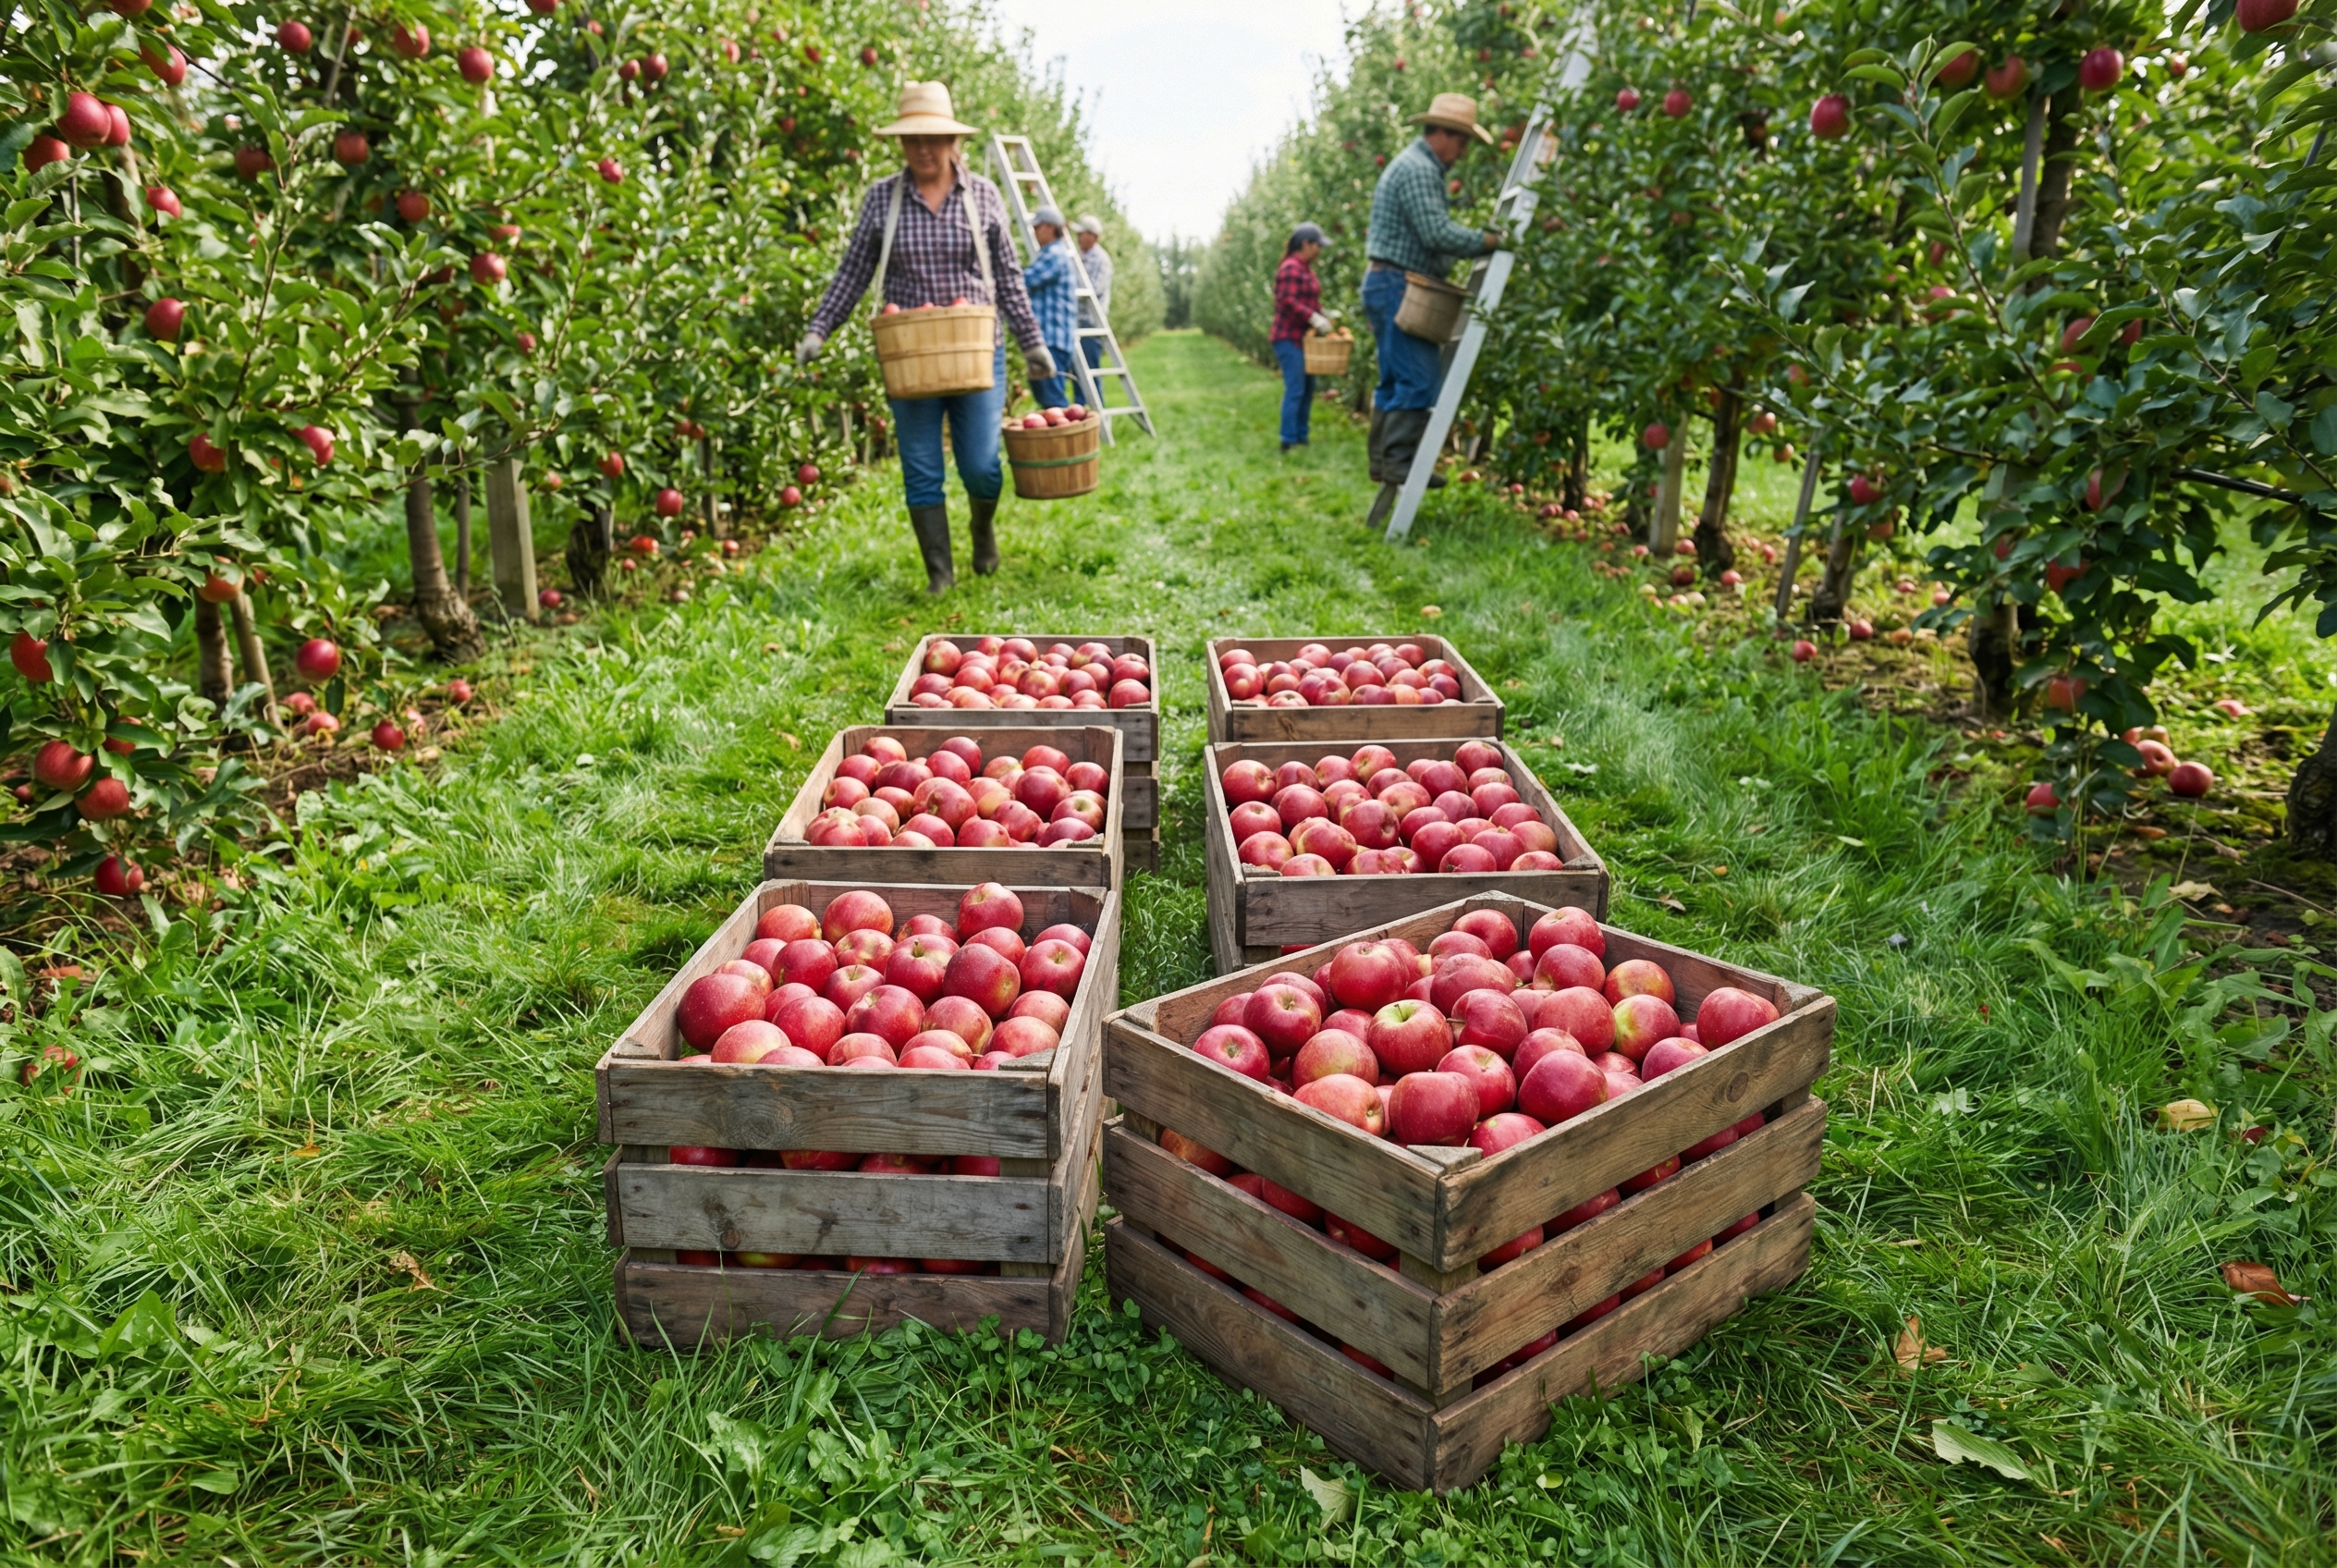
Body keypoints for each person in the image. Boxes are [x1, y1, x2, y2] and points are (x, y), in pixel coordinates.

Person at [799, 81, 1056, 594]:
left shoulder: (982, 194)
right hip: (910, 355)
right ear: (900, 144)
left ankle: (982, 530)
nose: (923, 149)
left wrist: (1033, 344)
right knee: (920, 469)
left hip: (976, 351)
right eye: (912, 139)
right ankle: (940, 575)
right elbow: (854, 272)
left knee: (982, 465)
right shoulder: (882, 200)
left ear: (951, 141)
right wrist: (818, 328)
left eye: (934, 138)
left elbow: (1006, 276)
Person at [1363, 92, 1502, 494]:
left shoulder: (1415, 166)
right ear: (1441, 134)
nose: (1461, 152)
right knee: (1419, 378)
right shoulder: (1419, 170)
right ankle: (1402, 462)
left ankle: (1386, 461)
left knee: (1393, 378)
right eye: (1461, 142)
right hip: (1399, 285)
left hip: (1386, 280)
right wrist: (1489, 241)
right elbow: (1436, 233)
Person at [1269, 222, 1334, 454]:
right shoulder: (1290, 268)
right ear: (1305, 244)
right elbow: (1286, 301)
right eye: (1318, 246)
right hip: (1288, 337)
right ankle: (1288, 441)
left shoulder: (1305, 269)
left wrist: (1324, 314)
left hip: (1304, 338)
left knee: (1308, 389)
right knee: (1296, 388)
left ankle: (1301, 437)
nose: (1319, 251)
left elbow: (1308, 300)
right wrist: (1313, 318)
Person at [1021, 205, 1079, 410]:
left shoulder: (1055, 254)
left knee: (1053, 400)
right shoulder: (1052, 253)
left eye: (1037, 227)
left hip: (1051, 339)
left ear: (1049, 227)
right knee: (1047, 399)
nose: (1035, 232)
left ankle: (1066, 439)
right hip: (1049, 339)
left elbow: (1025, 280)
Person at [1073, 214, 1113, 378]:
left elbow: (1094, 288)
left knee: (1090, 370)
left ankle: (1095, 404)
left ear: (1092, 236)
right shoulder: (1080, 256)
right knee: (1078, 372)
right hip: (1078, 320)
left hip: (1091, 321)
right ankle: (1080, 404)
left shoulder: (1100, 259)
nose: (1078, 237)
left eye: (1081, 233)